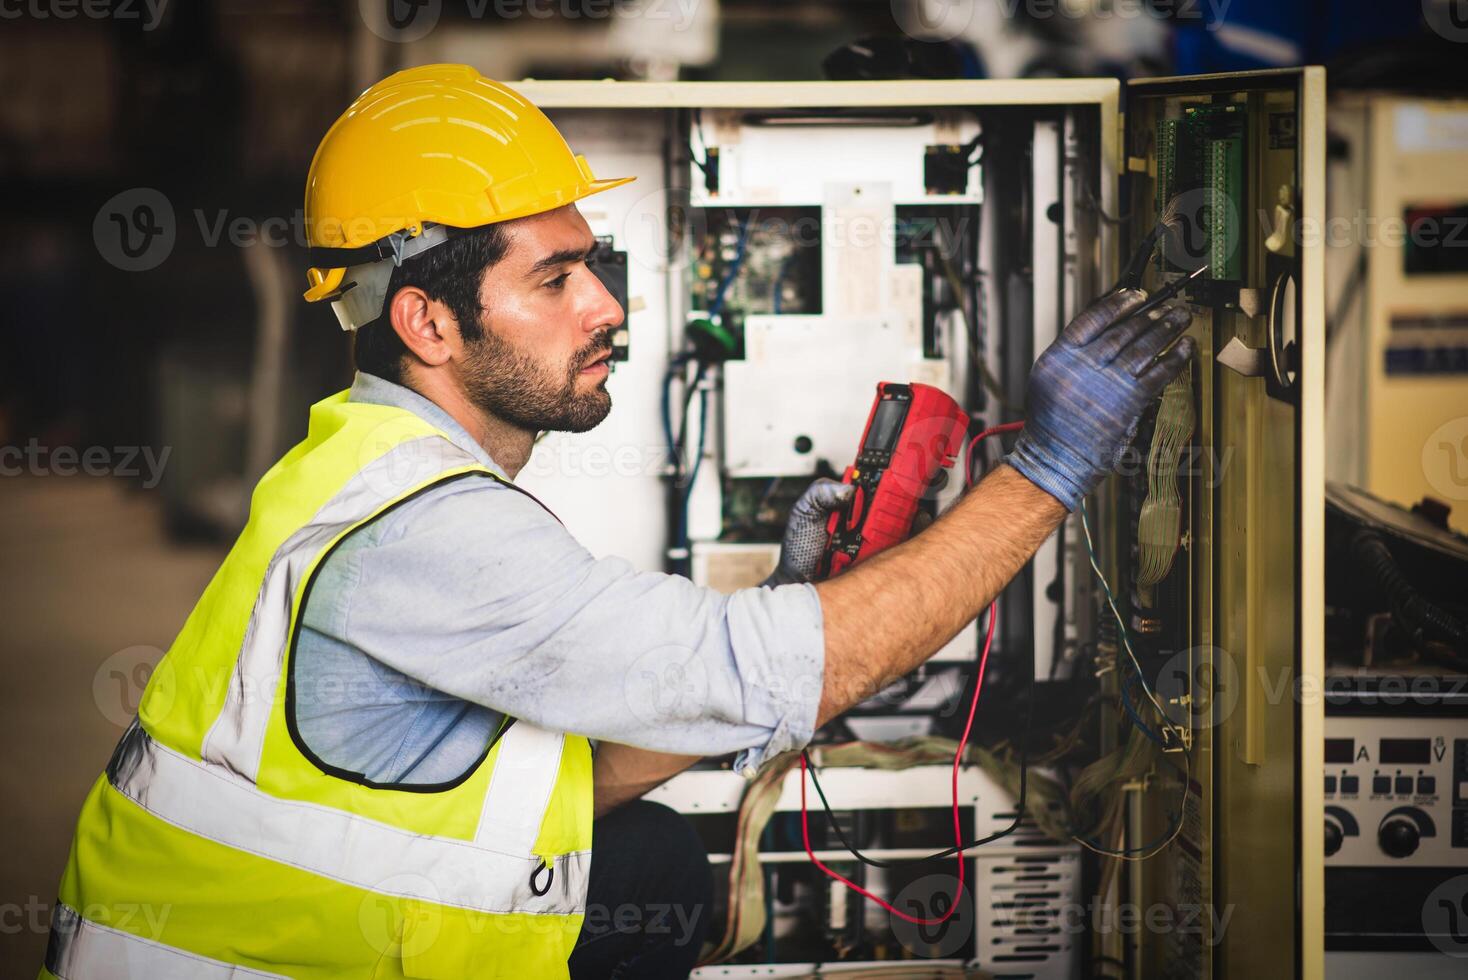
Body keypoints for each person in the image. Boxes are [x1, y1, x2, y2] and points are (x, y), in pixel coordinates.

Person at [42, 64, 1193, 980]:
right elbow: (776, 668)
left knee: (646, 869)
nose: (605, 304)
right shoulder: (425, 536)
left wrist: (771, 626)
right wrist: (1047, 468)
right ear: (427, 323)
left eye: (591, 264)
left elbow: (518, 779)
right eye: (553, 280)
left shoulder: (365, 459)